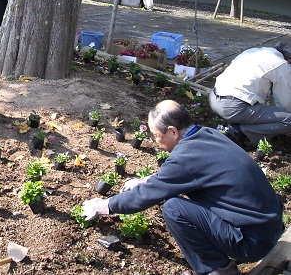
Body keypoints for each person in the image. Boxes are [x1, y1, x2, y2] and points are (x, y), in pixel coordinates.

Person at [80, 100, 283, 275]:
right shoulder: (208, 135)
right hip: (269, 226)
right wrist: (151, 179)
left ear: (173, 131)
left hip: (251, 243)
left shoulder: (184, 159)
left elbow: (147, 196)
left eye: (156, 135)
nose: (155, 141)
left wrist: (104, 205)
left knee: (174, 209)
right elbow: (192, 173)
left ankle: (220, 269)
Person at [209, 43, 291, 146]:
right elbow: (285, 104)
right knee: (289, 120)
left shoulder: (253, 52)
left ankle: (239, 122)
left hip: (214, 98)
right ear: (289, 60)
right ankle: (239, 131)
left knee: (264, 111)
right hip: (233, 108)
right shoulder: (282, 65)